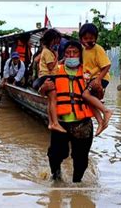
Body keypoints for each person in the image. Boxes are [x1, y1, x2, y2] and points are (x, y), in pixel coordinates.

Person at [46, 40, 94, 183]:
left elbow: (98, 96)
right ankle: (56, 177)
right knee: (55, 154)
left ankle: (76, 184)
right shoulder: (55, 70)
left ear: (80, 54)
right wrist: (44, 87)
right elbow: (42, 91)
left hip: (82, 123)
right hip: (60, 123)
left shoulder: (88, 72)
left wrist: (97, 88)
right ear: (63, 55)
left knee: (81, 158)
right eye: (68, 53)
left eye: (75, 52)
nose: (71, 55)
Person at [79, 23, 113, 136]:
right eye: (86, 38)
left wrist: (98, 80)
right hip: (91, 79)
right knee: (89, 101)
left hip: (100, 77)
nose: (89, 41)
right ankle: (100, 122)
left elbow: (107, 65)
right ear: (81, 39)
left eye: (91, 38)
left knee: (85, 95)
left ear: (96, 38)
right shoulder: (83, 50)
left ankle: (106, 111)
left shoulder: (98, 49)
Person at [33, 29, 66, 133]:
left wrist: (59, 60)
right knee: (53, 99)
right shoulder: (47, 52)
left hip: (47, 76)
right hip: (47, 77)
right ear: (51, 40)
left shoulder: (48, 51)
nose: (56, 43)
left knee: (50, 100)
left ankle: (51, 123)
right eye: (55, 41)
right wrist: (56, 56)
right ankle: (55, 123)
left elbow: (54, 65)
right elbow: (51, 67)